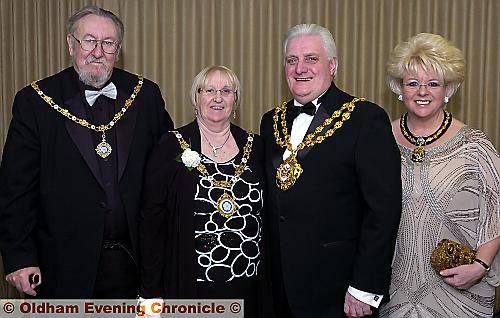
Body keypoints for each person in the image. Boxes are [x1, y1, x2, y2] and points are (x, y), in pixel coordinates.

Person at [0, 5, 173, 298]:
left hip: (138, 264)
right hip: (62, 265)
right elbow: (15, 188)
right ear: (70, 44)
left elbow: (168, 170)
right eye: (89, 40)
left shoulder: (145, 95)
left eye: (108, 43)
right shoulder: (35, 101)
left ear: (118, 50)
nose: (97, 51)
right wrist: (20, 257)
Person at [260, 24, 402, 317]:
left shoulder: (365, 118)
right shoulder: (270, 121)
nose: (300, 68)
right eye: (292, 60)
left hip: (339, 290)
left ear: (332, 65)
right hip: (279, 288)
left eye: (311, 58)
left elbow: (383, 210)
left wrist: (365, 286)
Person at [379, 33, 500, 317]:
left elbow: (496, 210)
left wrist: (480, 267)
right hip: (394, 288)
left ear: (448, 89)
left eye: (433, 84)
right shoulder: (378, 140)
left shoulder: (475, 146)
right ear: (399, 88)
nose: (423, 91)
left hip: (461, 288)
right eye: (412, 83)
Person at [140, 66, 271, 317]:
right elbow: (151, 222)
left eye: (226, 91)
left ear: (236, 99)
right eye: (209, 90)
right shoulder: (171, 145)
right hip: (190, 286)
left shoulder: (256, 147)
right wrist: (150, 289)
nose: (218, 97)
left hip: (249, 286)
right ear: (195, 97)